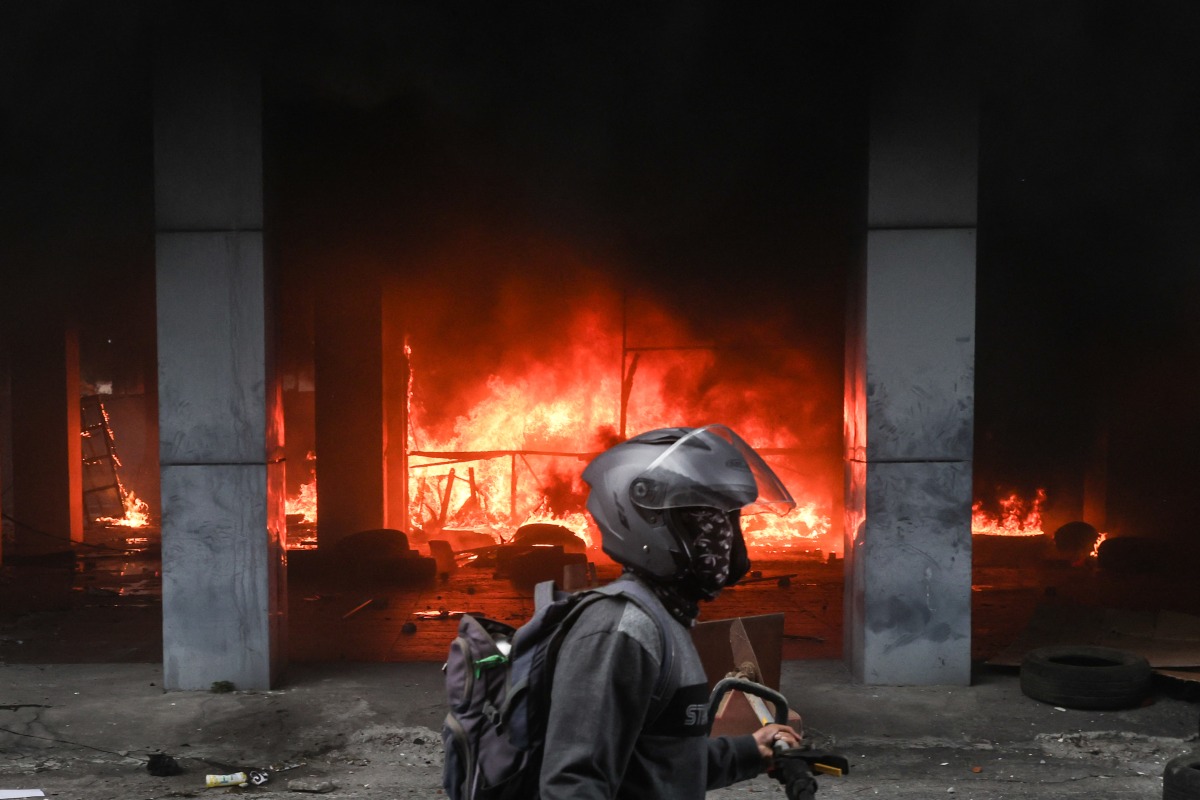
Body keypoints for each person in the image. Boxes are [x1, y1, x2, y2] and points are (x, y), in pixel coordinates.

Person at [539, 425, 803, 799]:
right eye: (707, 517)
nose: (726, 539)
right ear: (647, 523)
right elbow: (573, 786)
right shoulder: (620, 632)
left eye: (730, 520)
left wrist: (749, 750)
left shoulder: (664, 620)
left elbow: (662, 763)